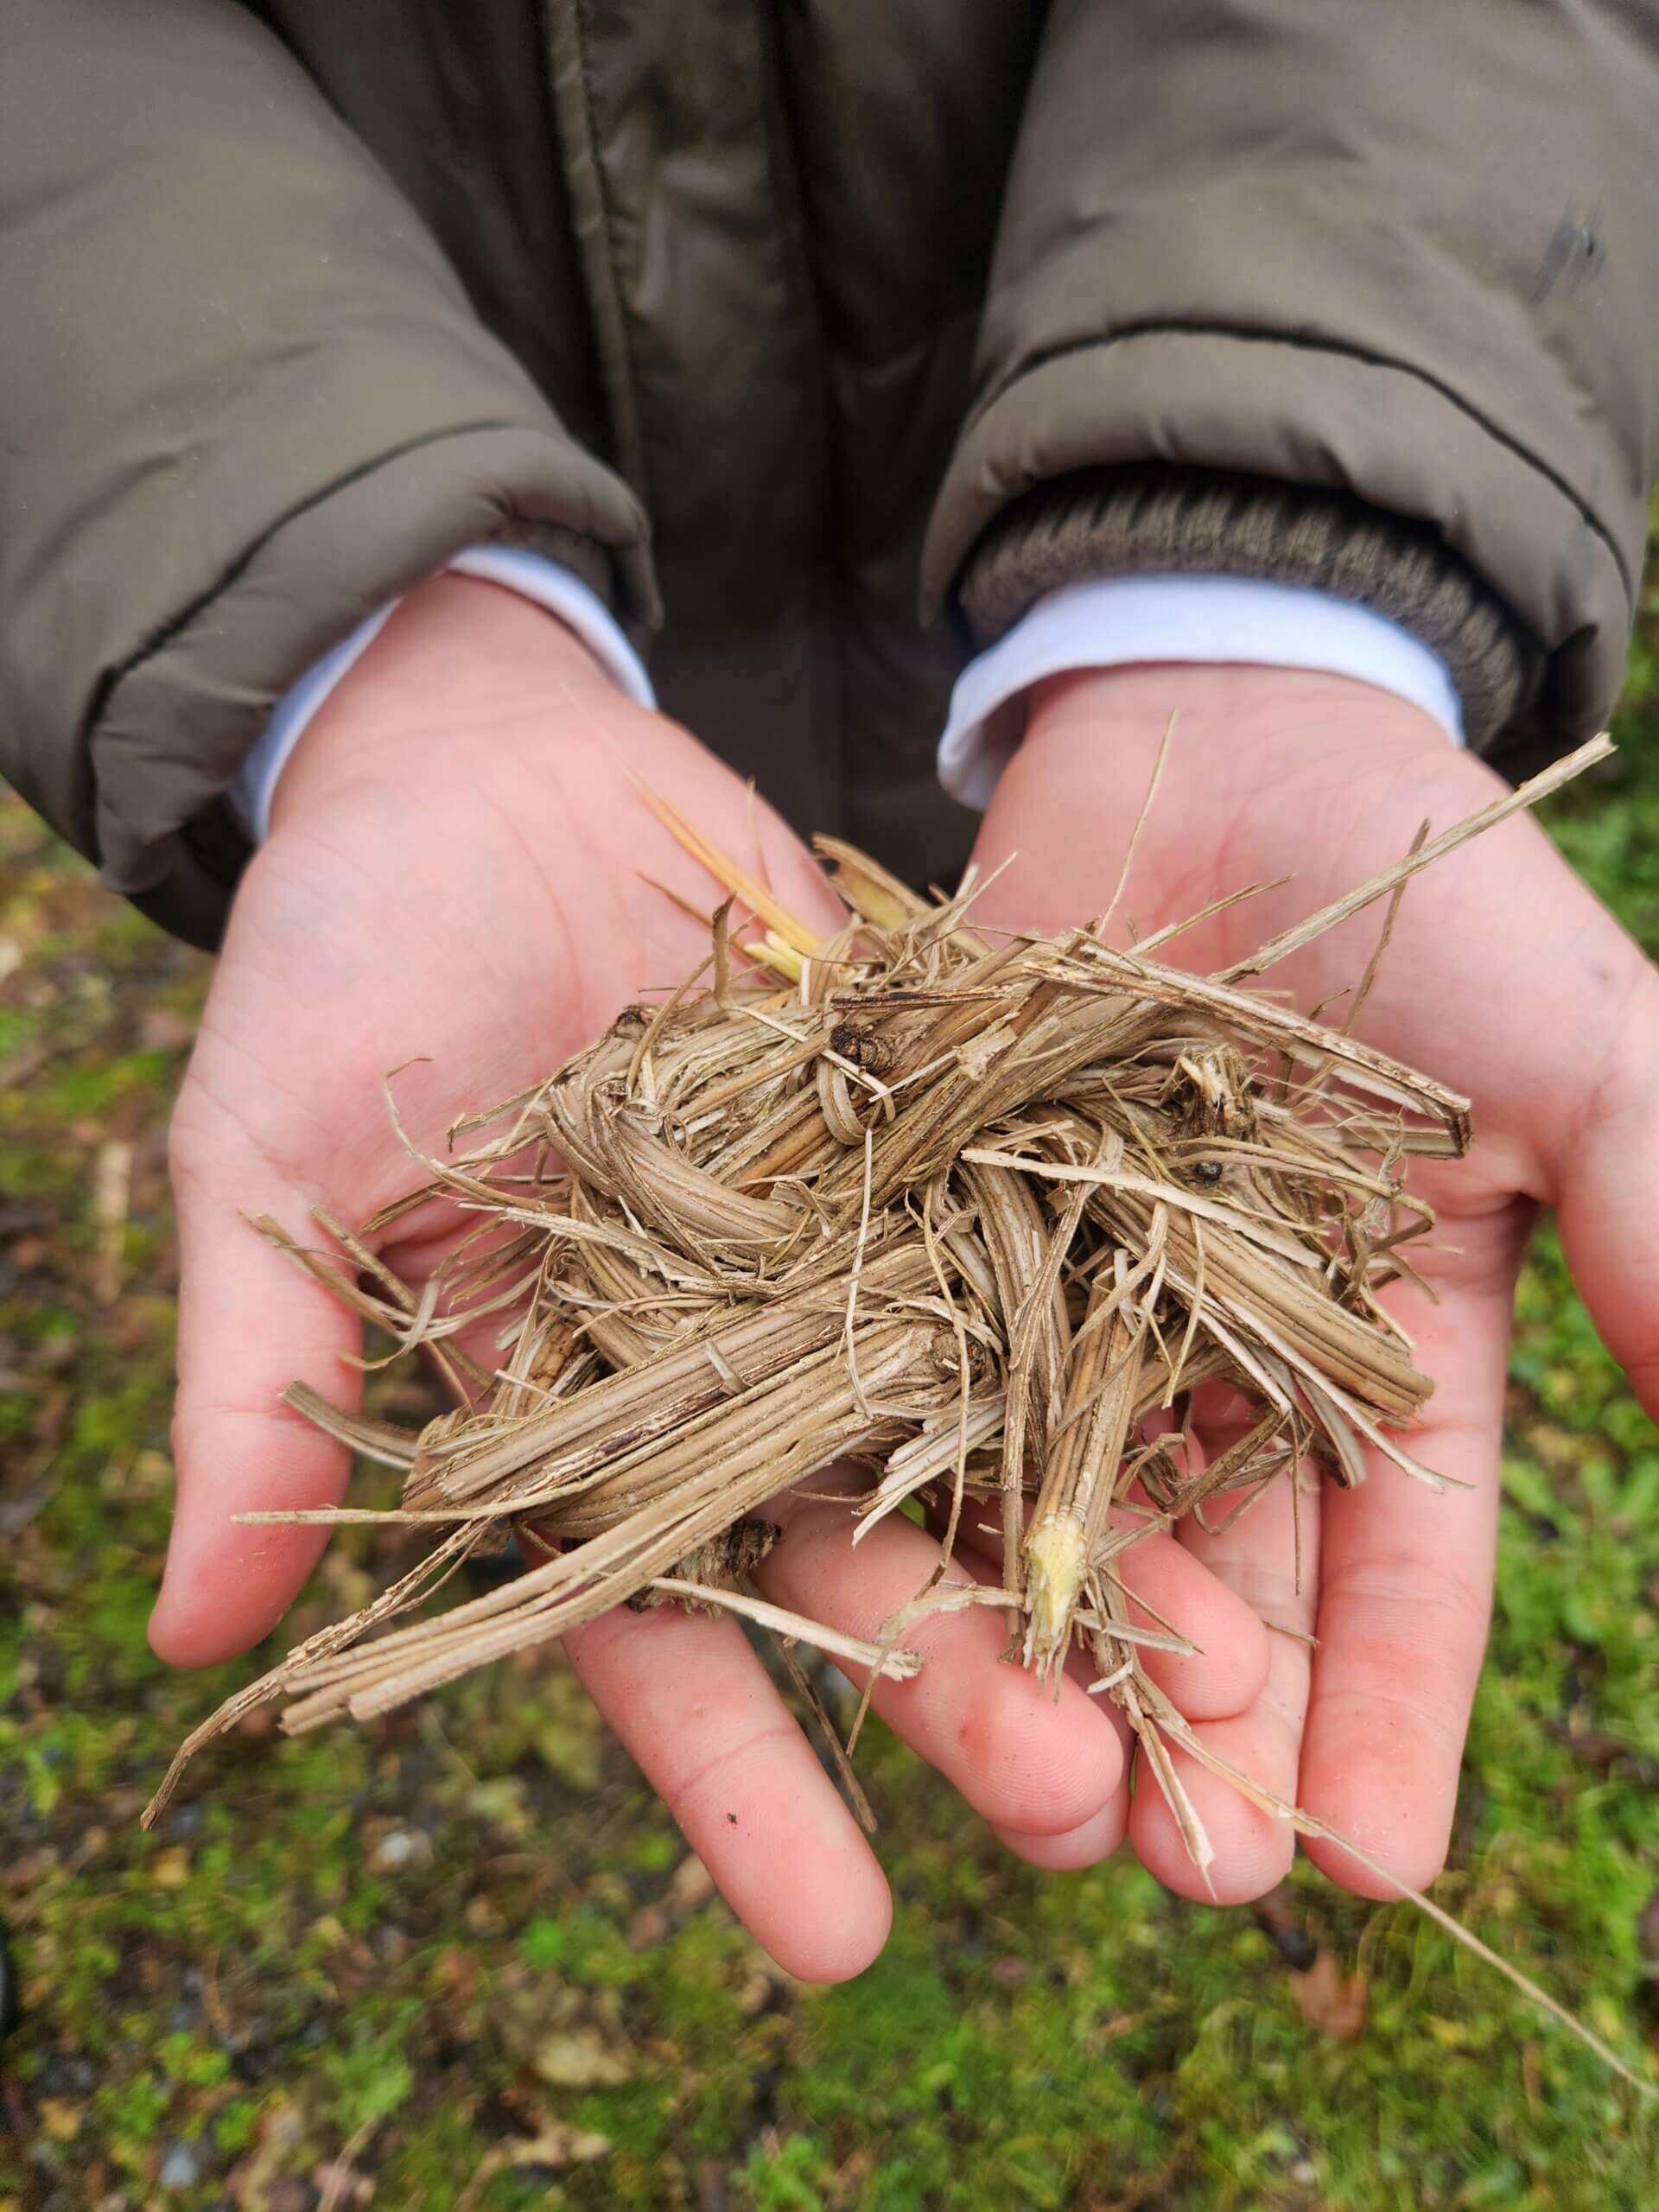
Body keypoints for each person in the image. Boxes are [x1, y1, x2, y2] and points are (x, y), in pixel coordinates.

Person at [3, 3, 1656, 1983]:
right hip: (473, 523)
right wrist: (348, 631)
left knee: (921, 955)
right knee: (839, 973)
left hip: (1054, 503)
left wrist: (1280, 576)